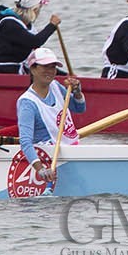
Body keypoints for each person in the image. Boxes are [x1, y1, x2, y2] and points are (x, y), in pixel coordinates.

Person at [16, 47, 87, 183]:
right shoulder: (27, 103)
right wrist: (40, 169)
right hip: (48, 156)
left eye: (53, 67)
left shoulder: (55, 86)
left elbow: (79, 108)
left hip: (70, 149)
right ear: (33, 69)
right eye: (45, 67)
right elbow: (25, 142)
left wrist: (77, 91)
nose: (50, 71)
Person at [0, 0, 60, 74]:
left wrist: (61, 74)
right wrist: (52, 26)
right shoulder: (9, 24)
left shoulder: (26, 26)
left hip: (17, 69)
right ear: (34, 10)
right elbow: (35, 42)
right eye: (39, 10)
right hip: (2, 72)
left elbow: (36, 54)